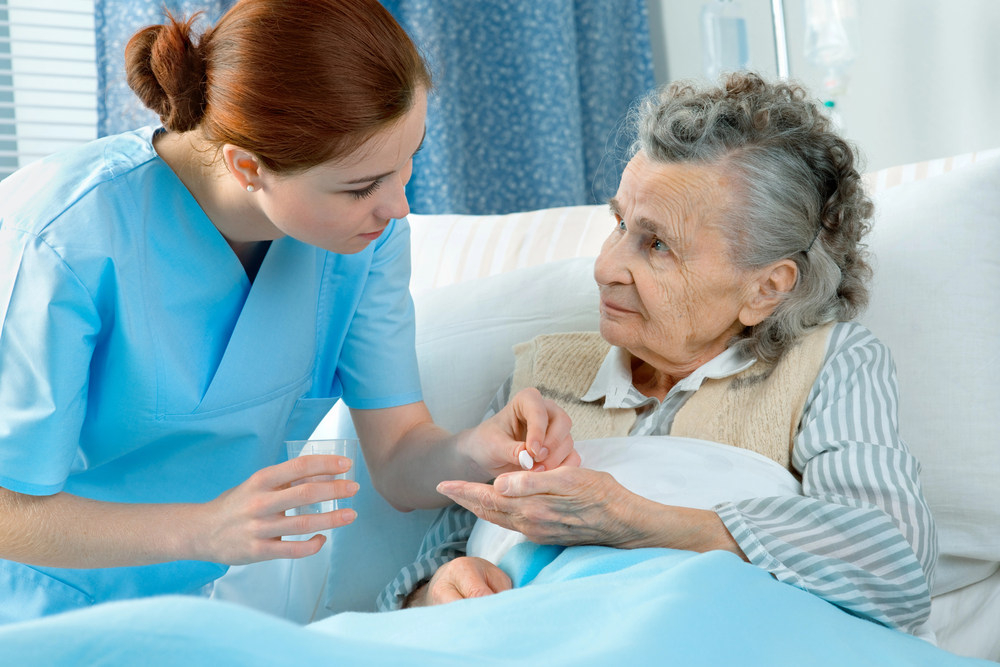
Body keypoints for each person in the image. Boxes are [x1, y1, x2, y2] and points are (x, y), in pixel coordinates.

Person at [0, 0, 574, 624]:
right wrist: (205, 530)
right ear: (249, 166)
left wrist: (473, 451)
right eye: (362, 186)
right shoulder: (60, 240)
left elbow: (401, 455)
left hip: (181, 617)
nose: (398, 206)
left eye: (408, 159)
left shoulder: (363, 246)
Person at [379, 72, 939, 636]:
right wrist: (440, 593)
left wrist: (631, 520)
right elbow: (430, 571)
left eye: (656, 243)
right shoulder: (539, 377)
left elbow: (894, 566)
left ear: (767, 287)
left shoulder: (828, 363)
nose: (604, 267)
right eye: (618, 223)